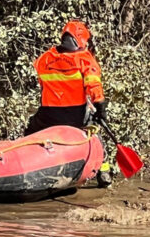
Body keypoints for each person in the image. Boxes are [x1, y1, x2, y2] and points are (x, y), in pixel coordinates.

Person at [24, 19, 112, 186]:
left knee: (29, 132)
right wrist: (100, 107)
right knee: (95, 132)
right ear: (81, 40)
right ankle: (103, 170)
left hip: (48, 114)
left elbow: (42, 83)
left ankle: (24, 161)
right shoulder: (84, 59)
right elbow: (93, 84)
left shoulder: (45, 58)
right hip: (75, 114)